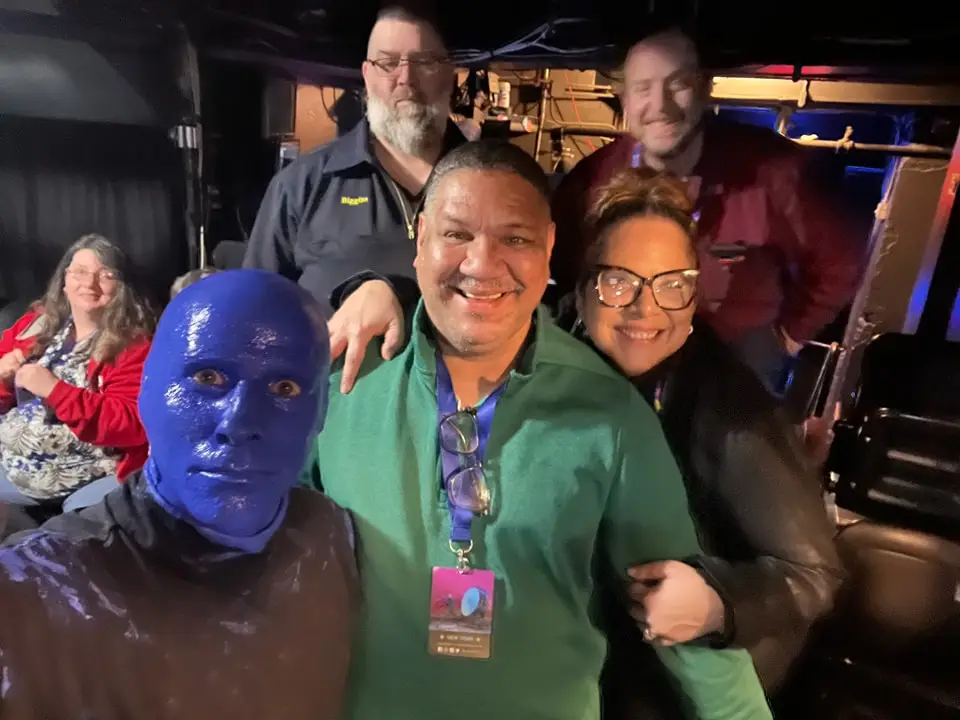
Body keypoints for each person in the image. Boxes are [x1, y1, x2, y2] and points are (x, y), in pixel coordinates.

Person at [324, 167, 845, 709]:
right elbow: (475, 295)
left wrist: (719, 606)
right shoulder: (547, 339)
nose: (645, 309)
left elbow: (811, 572)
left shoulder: (731, 414)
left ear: (694, 295)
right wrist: (385, 289)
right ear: (583, 284)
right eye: (620, 280)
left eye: (671, 285)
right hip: (597, 649)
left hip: (671, 660)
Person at [0, 269, 358, 719]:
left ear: (320, 412)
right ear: (147, 390)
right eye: (208, 378)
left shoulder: (329, 538)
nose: (238, 423)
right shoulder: (34, 597)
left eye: (283, 388)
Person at [550, 28, 865, 391]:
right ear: (623, 100)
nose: (660, 105)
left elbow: (842, 260)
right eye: (643, 88)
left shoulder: (774, 172)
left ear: (704, 89)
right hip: (629, 347)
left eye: (678, 84)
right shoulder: (591, 179)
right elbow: (565, 264)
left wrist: (785, 337)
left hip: (733, 359)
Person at [243, 4, 465, 316]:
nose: (406, 78)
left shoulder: (495, 185)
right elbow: (254, 313)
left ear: (448, 74)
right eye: (388, 63)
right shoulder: (300, 187)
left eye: (424, 61)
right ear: (367, 75)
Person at [0, 234, 154, 509]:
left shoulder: (134, 346)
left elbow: (132, 424)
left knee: (74, 534)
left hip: (89, 478)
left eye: (104, 275)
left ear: (122, 287)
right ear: (64, 280)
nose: (88, 284)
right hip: (12, 465)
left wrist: (54, 390)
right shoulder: (33, 326)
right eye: (79, 272)